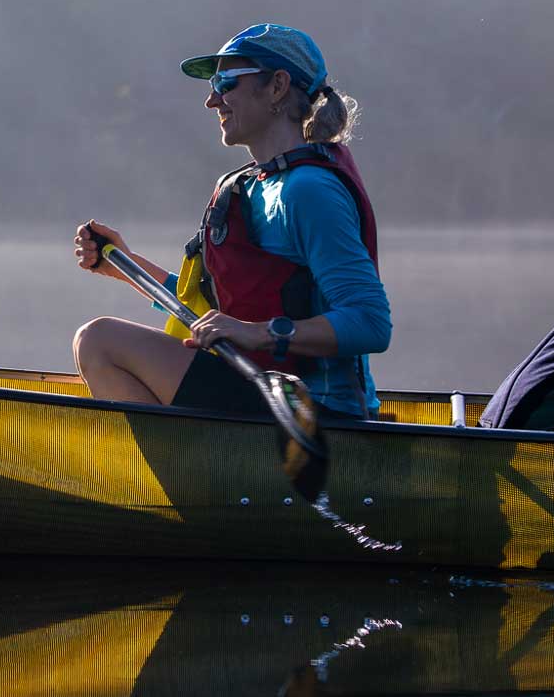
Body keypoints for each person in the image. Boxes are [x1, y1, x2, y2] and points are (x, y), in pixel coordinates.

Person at [73, 23, 390, 420]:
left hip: (314, 412)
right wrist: (125, 265)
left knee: (99, 340)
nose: (212, 100)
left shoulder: (310, 191)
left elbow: (370, 322)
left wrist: (258, 333)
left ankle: (177, 478)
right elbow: (215, 311)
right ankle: (187, 473)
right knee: (99, 340)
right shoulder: (255, 184)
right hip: (258, 389)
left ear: (276, 86)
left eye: (225, 82)